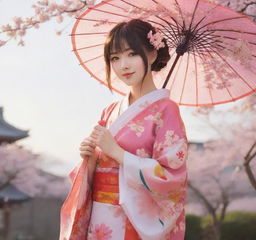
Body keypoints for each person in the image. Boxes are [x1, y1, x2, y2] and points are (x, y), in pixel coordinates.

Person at [59, 19, 188, 240]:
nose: (123, 65)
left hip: (134, 219)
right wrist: (89, 158)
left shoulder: (166, 110)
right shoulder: (110, 110)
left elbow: (172, 176)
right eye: (115, 58)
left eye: (131, 54)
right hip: (100, 218)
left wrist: (117, 152)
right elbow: (97, 167)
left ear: (152, 54)